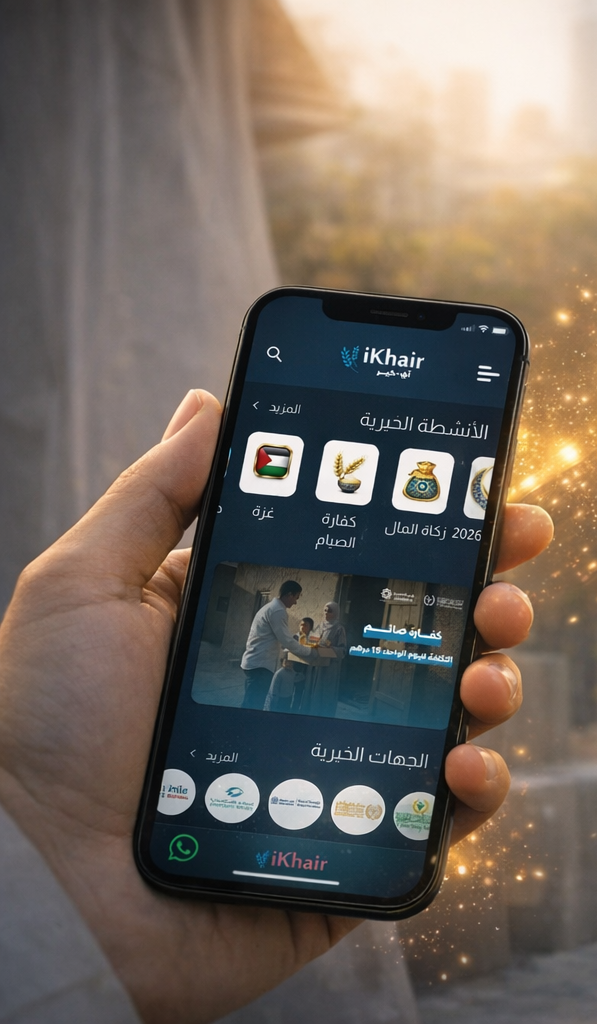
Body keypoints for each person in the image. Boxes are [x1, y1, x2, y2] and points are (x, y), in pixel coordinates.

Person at [0, 389, 553, 1022]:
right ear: (296, 596)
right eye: (305, 602)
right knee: (261, 709)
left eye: (316, 607)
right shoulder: (276, 612)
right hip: (261, 665)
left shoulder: (303, 616)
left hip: (267, 671)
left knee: (276, 707)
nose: (309, 608)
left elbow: (311, 642)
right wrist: (40, 829)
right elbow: (293, 642)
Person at [240, 580, 310, 710]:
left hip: (257, 663)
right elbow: (286, 640)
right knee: (252, 706)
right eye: (296, 597)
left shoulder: (272, 607)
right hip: (260, 666)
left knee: (251, 703)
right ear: (289, 594)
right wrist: (309, 652)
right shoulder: (277, 610)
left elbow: (281, 638)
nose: (295, 602)